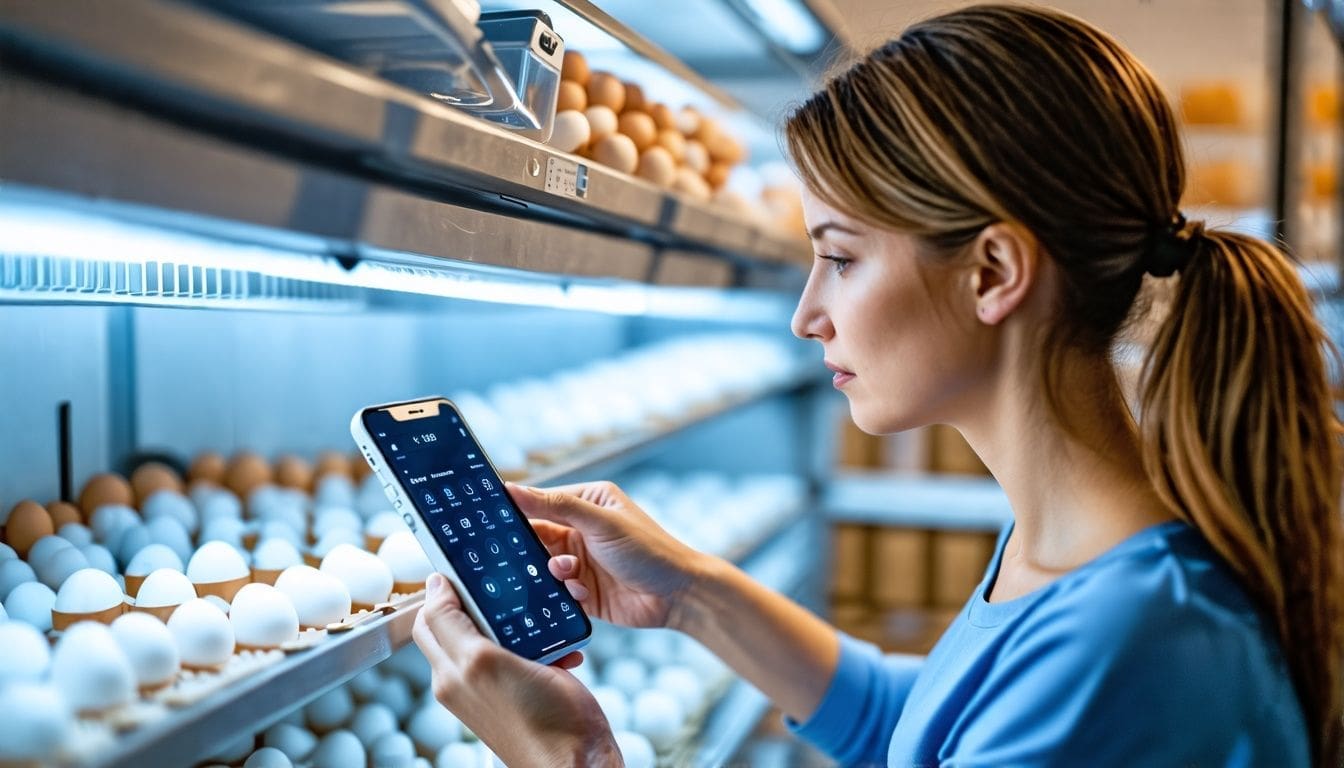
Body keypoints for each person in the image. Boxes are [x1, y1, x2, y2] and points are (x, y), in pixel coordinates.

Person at [411, 4, 1344, 766]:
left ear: (992, 274)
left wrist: (567, 759)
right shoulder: (1087, 548)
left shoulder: (1133, 646)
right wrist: (693, 594)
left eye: (841, 259)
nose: (807, 316)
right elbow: (932, 723)